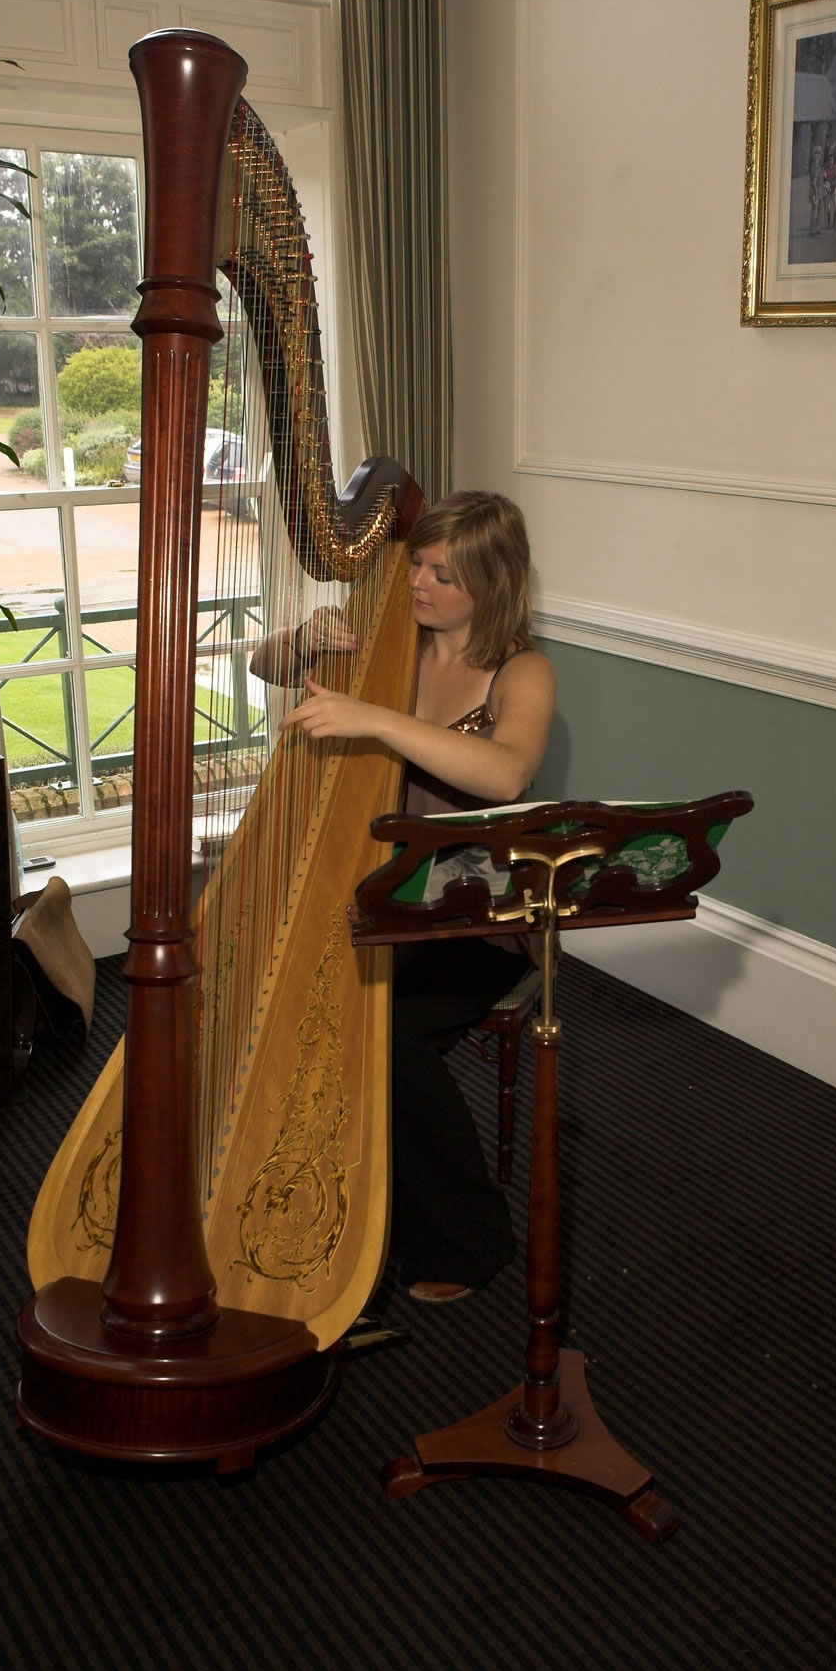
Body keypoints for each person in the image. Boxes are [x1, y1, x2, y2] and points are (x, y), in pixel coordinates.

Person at [260, 491, 557, 1305]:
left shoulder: (522, 671)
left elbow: (506, 773)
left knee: (376, 1026)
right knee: (289, 983)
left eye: (441, 574)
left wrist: (376, 719)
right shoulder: (391, 634)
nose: (417, 581)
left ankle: (469, 1237)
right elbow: (262, 664)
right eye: (417, 562)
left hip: (475, 914)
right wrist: (302, 639)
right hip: (384, 889)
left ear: (491, 585)